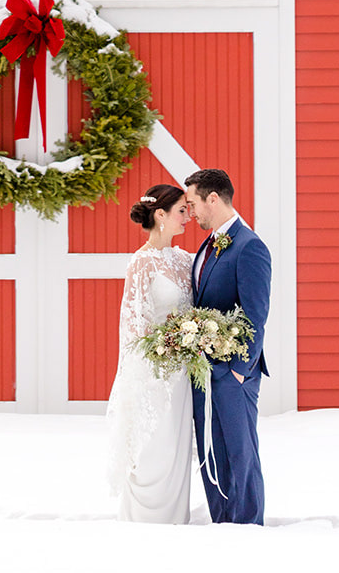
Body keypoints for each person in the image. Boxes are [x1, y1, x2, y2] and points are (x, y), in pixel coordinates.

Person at [185, 167, 271, 525]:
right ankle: (222, 522)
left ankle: (248, 524)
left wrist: (238, 370)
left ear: (213, 199)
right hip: (204, 371)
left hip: (234, 373)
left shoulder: (250, 247)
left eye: (192, 204)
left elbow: (255, 315)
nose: (190, 212)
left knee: (240, 453)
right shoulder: (207, 245)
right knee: (211, 451)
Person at [106, 183, 195, 523]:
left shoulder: (186, 260)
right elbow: (133, 323)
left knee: (177, 447)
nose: (188, 217)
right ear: (161, 215)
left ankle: (176, 519)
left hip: (185, 372)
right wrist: (161, 349)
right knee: (156, 447)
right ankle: (145, 522)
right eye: (182, 211)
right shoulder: (142, 263)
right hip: (156, 372)